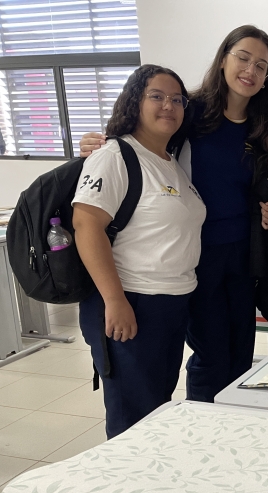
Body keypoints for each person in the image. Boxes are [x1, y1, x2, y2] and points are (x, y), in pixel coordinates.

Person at [80, 26, 268, 402]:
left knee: (241, 352)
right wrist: (98, 142)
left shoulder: (262, 125)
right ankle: (204, 422)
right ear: (223, 60)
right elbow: (140, 144)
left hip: (242, 255)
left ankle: (236, 420)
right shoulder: (191, 112)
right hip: (196, 254)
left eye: (261, 65)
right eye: (243, 58)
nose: (250, 70)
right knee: (211, 354)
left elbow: (256, 187)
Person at [72, 65, 205, 438]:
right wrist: (115, 301)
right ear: (135, 101)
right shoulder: (115, 155)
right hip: (132, 301)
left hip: (171, 304)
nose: (168, 106)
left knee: (156, 406)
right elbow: (86, 226)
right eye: (157, 96)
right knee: (131, 417)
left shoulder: (168, 160)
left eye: (177, 100)